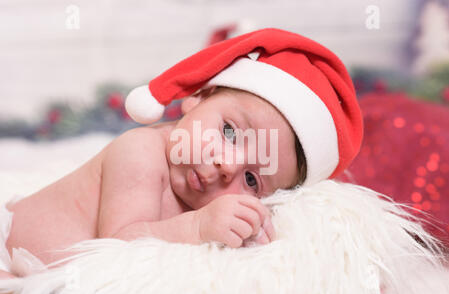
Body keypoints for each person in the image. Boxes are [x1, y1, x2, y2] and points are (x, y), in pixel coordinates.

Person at [0, 28, 363, 279]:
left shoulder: (207, 199)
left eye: (252, 179)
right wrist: (198, 226)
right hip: (10, 247)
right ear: (200, 97)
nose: (227, 165)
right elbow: (117, 246)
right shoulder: (140, 151)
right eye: (229, 131)